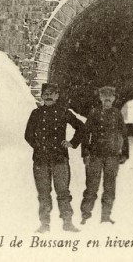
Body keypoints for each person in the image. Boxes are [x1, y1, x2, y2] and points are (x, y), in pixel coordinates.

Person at [24, 82, 84, 233]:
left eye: (52, 93)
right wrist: (39, 146)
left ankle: (67, 222)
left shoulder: (63, 112)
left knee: (63, 193)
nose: (48, 96)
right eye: (46, 94)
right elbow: (28, 135)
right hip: (41, 160)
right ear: (42, 96)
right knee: (43, 194)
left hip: (59, 159)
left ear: (57, 96)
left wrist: (72, 143)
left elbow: (81, 127)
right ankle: (44, 224)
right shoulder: (36, 114)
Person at [80, 86, 129, 224]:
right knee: (92, 186)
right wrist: (85, 153)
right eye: (104, 96)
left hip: (112, 156)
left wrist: (124, 153)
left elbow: (124, 134)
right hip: (95, 155)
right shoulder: (94, 113)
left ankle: (106, 215)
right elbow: (86, 134)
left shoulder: (117, 114)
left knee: (110, 187)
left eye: (110, 97)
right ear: (100, 97)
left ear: (114, 98)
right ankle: (85, 214)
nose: (107, 99)